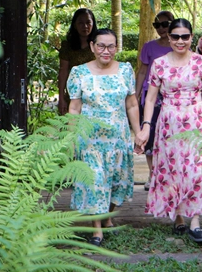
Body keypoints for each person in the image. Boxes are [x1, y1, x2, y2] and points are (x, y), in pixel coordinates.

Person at [135, 18, 202, 244]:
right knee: (173, 170)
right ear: (169, 37)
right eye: (175, 36)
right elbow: (151, 98)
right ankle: (178, 215)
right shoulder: (159, 64)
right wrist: (146, 126)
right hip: (168, 124)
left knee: (197, 170)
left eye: (185, 36)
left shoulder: (200, 62)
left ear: (191, 37)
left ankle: (195, 221)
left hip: (196, 122)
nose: (180, 41)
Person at [67, 28, 141, 247]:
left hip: (118, 139)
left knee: (118, 181)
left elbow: (131, 103)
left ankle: (107, 215)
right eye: (101, 46)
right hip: (90, 141)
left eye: (110, 46)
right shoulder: (79, 73)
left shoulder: (126, 70)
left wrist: (138, 132)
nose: (105, 51)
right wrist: (72, 137)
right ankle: (96, 230)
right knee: (95, 182)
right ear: (92, 47)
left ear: (116, 47)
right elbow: (74, 107)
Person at [135, 10, 175, 190]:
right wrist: (135, 94)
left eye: (165, 24)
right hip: (151, 95)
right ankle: (152, 174)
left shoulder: (180, 45)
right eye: (157, 25)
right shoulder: (149, 47)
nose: (161, 28)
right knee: (149, 133)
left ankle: (168, 174)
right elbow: (143, 71)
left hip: (172, 95)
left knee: (170, 134)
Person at [58, 8, 97, 115]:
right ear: (75, 25)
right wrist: (61, 97)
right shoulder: (68, 45)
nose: (85, 26)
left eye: (88, 22)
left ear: (93, 23)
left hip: (95, 95)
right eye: (80, 23)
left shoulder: (99, 44)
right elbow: (63, 71)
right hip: (73, 94)